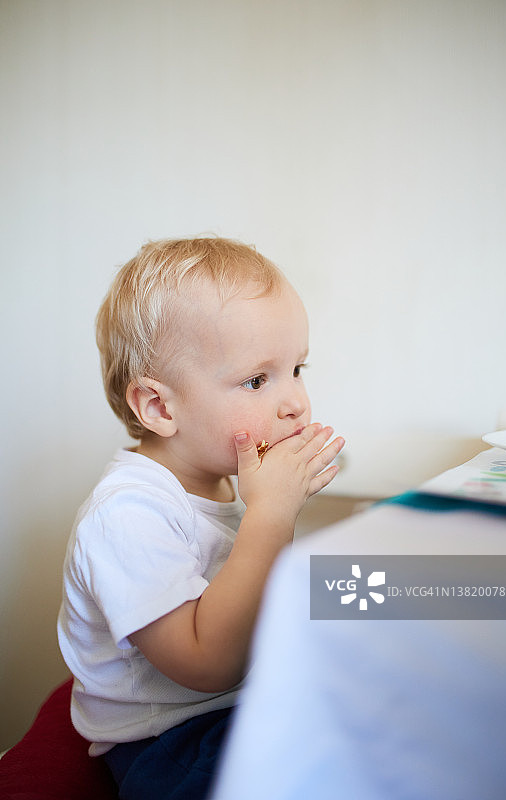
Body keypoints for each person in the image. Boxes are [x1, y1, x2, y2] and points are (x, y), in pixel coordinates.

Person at [57, 237, 345, 800]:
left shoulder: (226, 484)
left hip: (241, 706)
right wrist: (271, 514)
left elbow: (266, 600)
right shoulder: (127, 514)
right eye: (258, 380)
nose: (296, 402)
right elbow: (207, 664)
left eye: (297, 369)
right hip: (171, 740)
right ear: (161, 408)